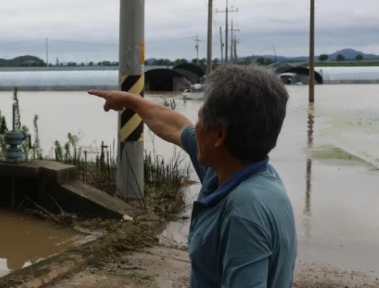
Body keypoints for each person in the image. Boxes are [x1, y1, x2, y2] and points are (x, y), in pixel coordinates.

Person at [89, 64, 297, 288]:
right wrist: (133, 102)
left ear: (219, 134)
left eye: (200, 119)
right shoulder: (236, 172)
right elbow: (177, 127)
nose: (195, 127)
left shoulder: (244, 212)